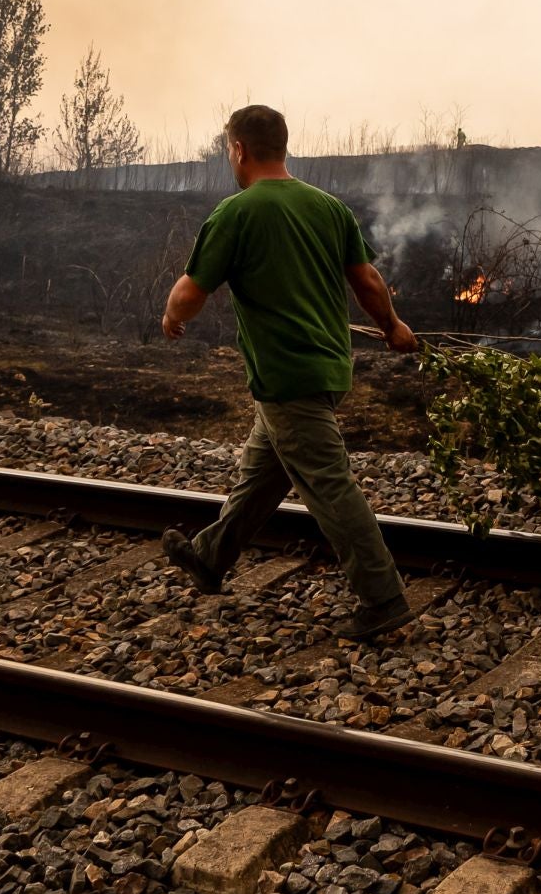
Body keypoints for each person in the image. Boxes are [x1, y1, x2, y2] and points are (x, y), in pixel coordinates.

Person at [157, 104, 421, 641]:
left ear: (238, 149)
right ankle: (210, 557)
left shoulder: (236, 212)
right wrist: (393, 326)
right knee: (262, 471)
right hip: (326, 366)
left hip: (286, 374)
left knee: (329, 486)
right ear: (283, 146)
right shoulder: (328, 208)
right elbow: (368, 281)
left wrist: (170, 317)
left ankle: (383, 597)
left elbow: (190, 291)